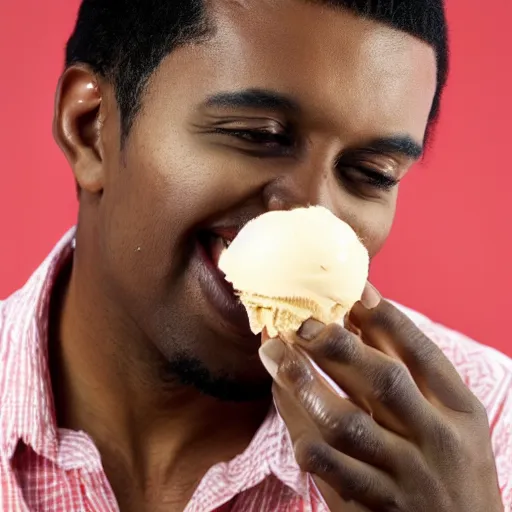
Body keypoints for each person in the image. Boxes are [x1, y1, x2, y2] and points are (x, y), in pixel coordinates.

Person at [0, 0, 510, 510]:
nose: (314, 213)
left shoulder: (492, 432)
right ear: (90, 129)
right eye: (257, 136)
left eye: (373, 172)